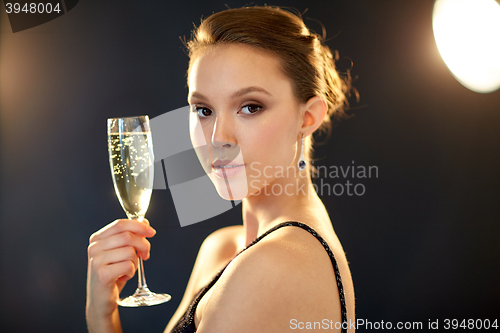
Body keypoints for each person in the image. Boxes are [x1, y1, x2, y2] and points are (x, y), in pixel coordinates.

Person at [86, 6, 355, 333]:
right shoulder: (225, 248)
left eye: (250, 107)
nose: (218, 138)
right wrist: (102, 312)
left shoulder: (276, 266)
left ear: (308, 117)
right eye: (203, 110)